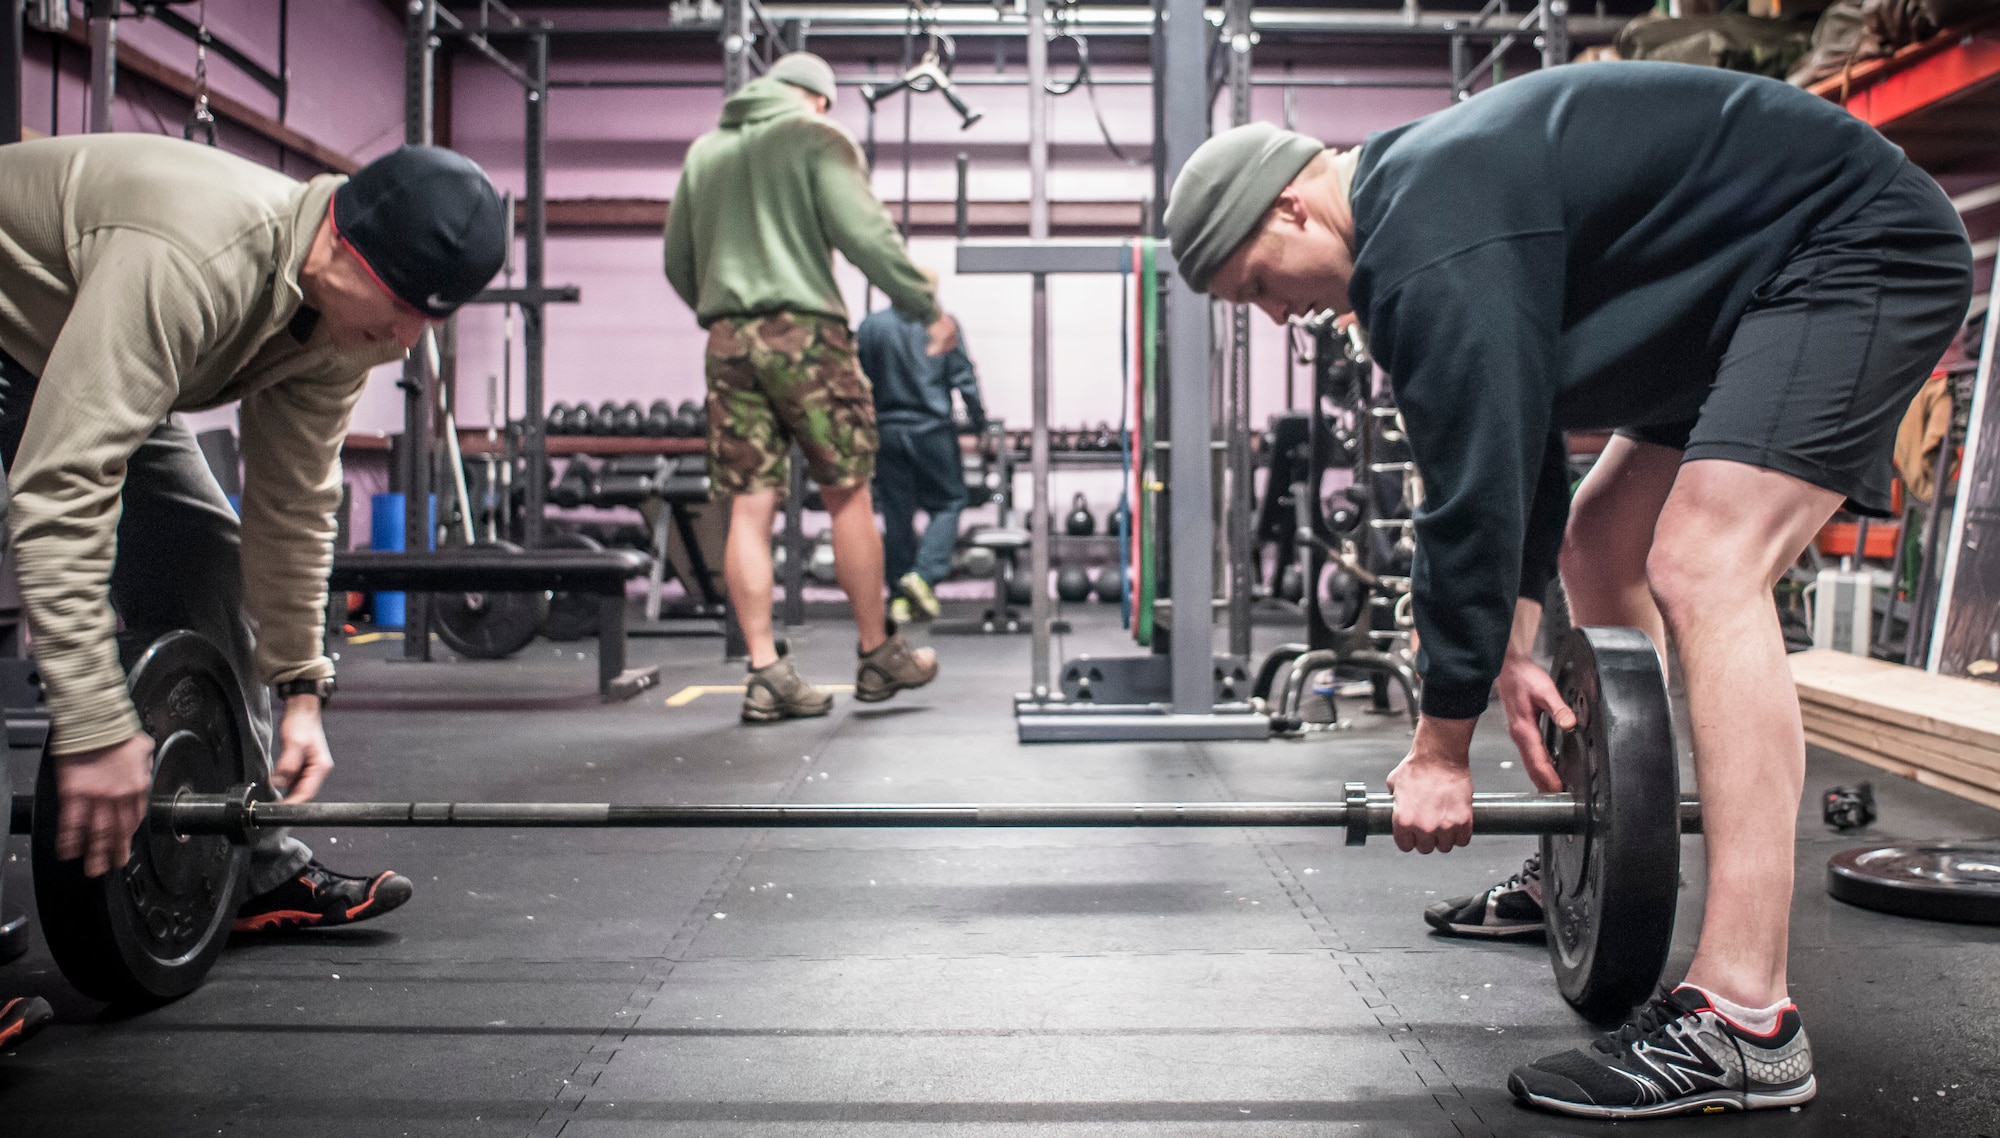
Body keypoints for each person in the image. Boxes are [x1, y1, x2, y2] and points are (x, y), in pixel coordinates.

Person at [1164, 62, 1971, 1118]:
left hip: (1848, 252)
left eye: (1256, 285)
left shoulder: (1426, 234)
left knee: (1701, 558)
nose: (1272, 315)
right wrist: (1510, 639)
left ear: (1290, 204)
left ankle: (1744, 1018)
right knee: (1600, 540)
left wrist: (1440, 749)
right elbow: (1516, 434)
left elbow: (1469, 498)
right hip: (1738, 295)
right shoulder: (1422, 211)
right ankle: (1599, 846)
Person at [0, 133, 506, 985]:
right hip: (20, 323)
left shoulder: (356, 327)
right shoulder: (195, 258)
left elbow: (295, 504)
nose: (408, 336)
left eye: (433, 315)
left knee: (205, 555)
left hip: (81, 340)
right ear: (339, 239)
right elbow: (64, 486)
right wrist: (93, 726)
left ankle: (248, 868)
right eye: (399, 303)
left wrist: (302, 686)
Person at [665, 52, 955, 722]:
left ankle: (766, 672)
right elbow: (865, 234)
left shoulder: (705, 153)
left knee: (748, 506)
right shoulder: (816, 136)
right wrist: (924, 306)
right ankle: (878, 653)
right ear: (817, 99)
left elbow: (679, 261)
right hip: (808, 335)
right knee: (848, 492)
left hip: (728, 341)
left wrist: (728, 311)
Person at [857, 273, 986, 623]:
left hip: (887, 431)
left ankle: (899, 599)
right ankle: (922, 576)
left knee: (897, 515)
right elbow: (964, 379)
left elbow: (857, 384)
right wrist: (981, 425)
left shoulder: (870, 327)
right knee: (950, 502)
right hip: (932, 430)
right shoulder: (942, 325)